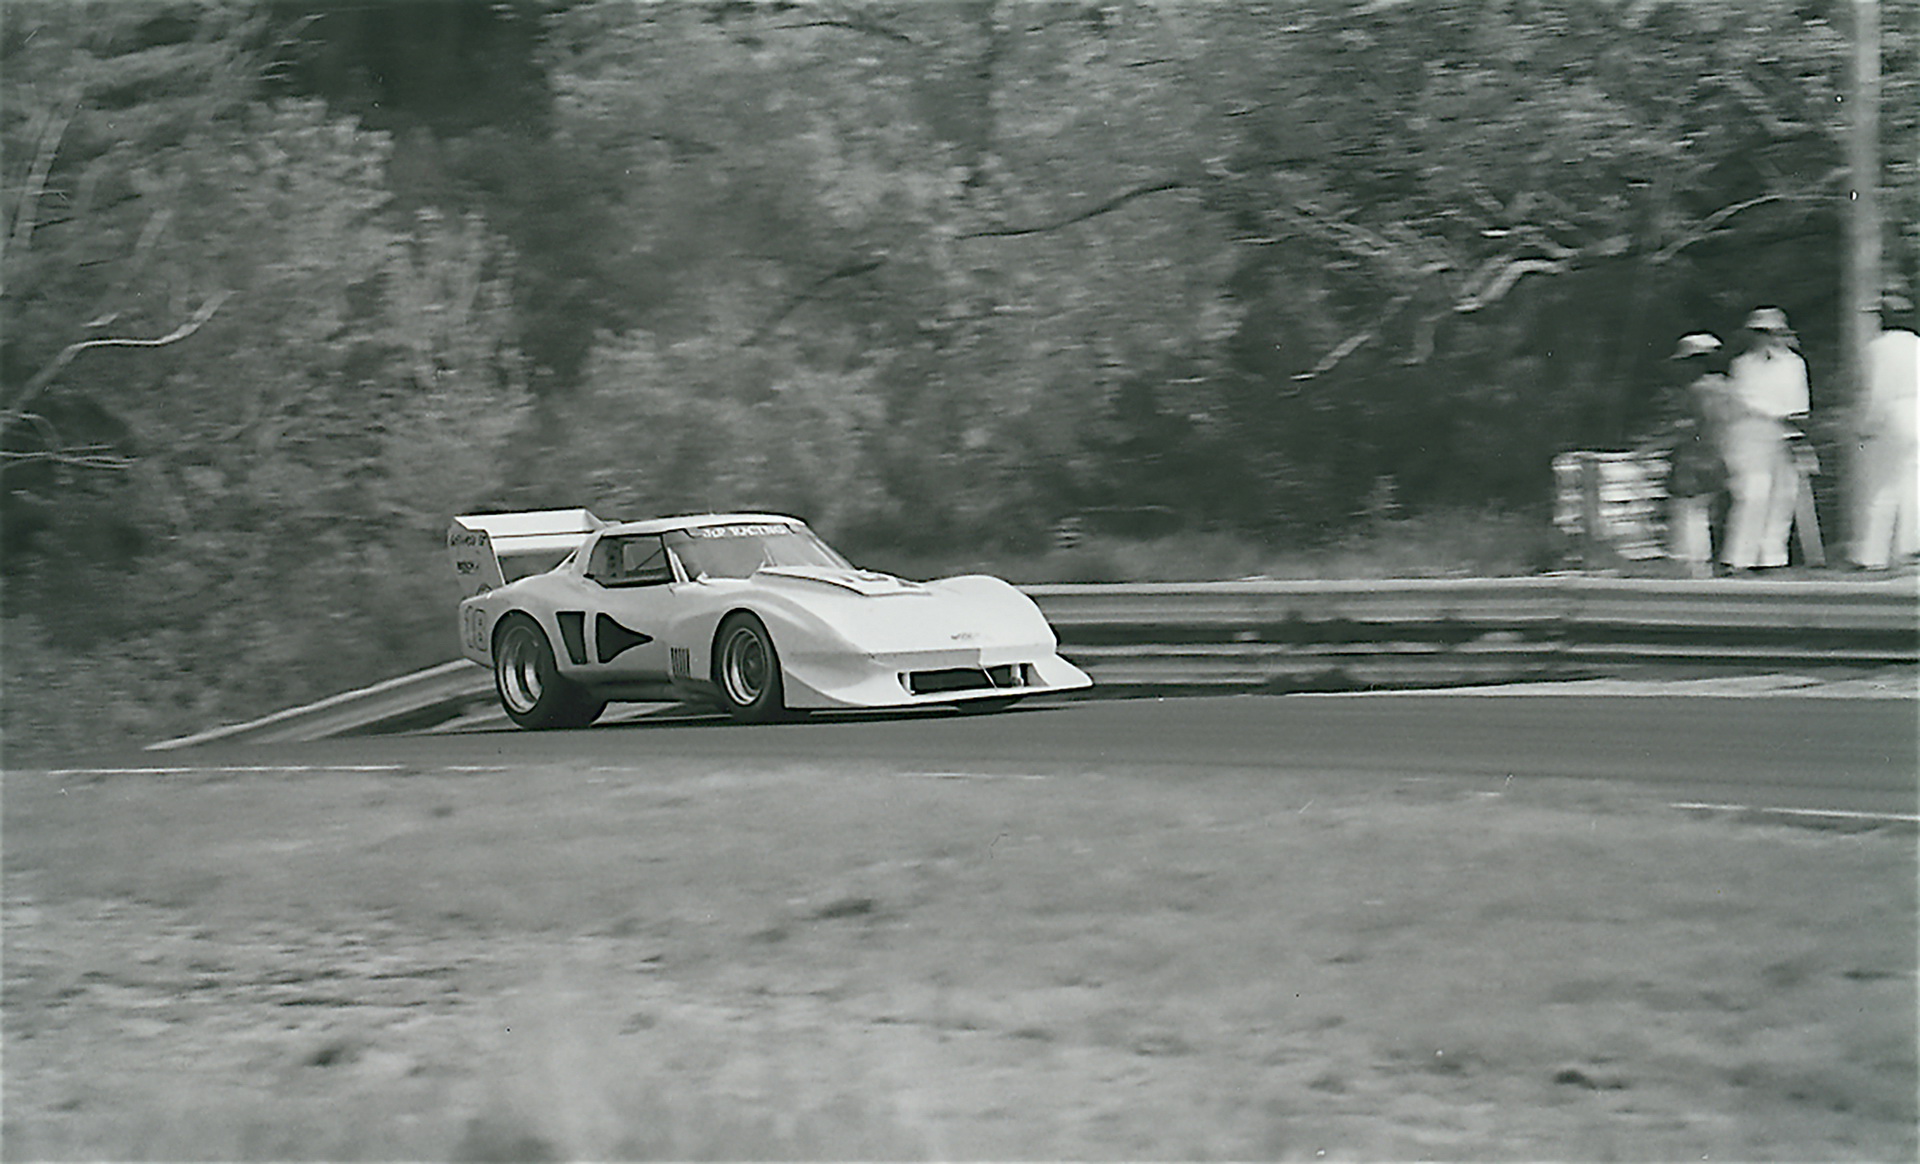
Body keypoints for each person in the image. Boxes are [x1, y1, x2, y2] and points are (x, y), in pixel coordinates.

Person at [1720, 307, 1810, 572]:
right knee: (1752, 494)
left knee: (1783, 496)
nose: (1765, 338)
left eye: (1770, 332)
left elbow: (1799, 403)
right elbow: (1743, 402)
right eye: (1760, 333)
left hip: (1784, 432)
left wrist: (1795, 434)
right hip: (1749, 433)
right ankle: (1739, 558)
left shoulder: (1794, 364)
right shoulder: (1742, 364)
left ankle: (1772, 557)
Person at [1657, 333, 1732, 577]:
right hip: (1718, 457)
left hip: (1694, 459)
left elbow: (1687, 429)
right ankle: (1701, 565)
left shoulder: (1696, 392)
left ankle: (1692, 566)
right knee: (1701, 513)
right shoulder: (1726, 389)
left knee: (1688, 513)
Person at [1851, 324, 1919, 569]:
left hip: (1893, 415)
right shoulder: (1917, 345)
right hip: (1917, 413)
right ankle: (1910, 545)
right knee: (1912, 483)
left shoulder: (1878, 347)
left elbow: (1880, 390)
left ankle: (1873, 554)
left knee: (1882, 486)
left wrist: (1868, 424)